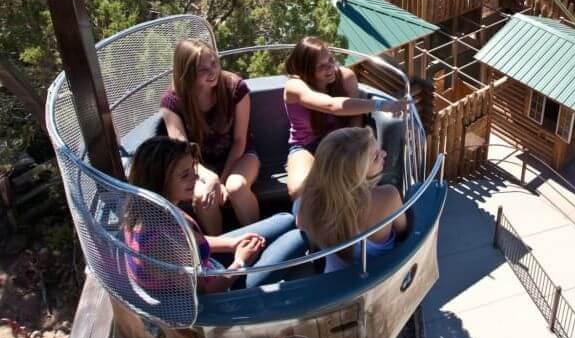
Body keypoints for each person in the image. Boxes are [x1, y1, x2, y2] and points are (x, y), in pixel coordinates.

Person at [125, 137, 308, 293]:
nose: (195, 178)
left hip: (208, 264)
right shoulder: (161, 242)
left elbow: (192, 240)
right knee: (299, 237)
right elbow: (205, 290)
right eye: (184, 175)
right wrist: (241, 262)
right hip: (222, 288)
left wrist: (232, 243)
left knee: (286, 220)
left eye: (193, 171)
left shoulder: (155, 207)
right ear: (160, 180)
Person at [283, 37, 405, 199]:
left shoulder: (346, 78)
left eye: (331, 60)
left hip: (339, 144)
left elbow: (355, 119)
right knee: (299, 190)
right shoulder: (295, 86)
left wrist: (349, 152)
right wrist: (380, 105)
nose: (331, 68)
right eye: (322, 66)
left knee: (354, 182)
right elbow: (332, 106)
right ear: (307, 69)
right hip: (306, 146)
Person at [160, 39, 259, 235]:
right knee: (203, 196)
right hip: (199, 163)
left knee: (236, 187)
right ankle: (219, 249)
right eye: (202, 69)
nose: (212, 71)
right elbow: (183, 150)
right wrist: (208, 177)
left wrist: (221, 180)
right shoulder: (172, 103)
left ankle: (257, 237)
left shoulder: (235, 88)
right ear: (187, 72)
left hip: (240, 155)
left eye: (213, 63)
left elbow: (240, 142)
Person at [296, 127, 408, 274]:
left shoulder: (307, 201)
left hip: (333, 280)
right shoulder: (388, 196)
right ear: (355, 173)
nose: (384, 153)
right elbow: (404, 232)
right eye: (375, 157)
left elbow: (302, 225)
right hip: (380, 278)